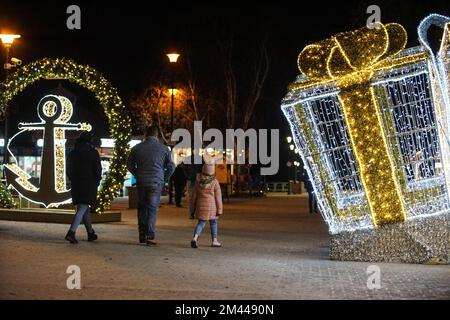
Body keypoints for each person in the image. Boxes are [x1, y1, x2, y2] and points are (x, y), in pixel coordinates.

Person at [127, 126, 175, 246]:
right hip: (156, 182)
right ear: (157, 136)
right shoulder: (164, 149)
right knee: (152, 209)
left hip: (141, 181)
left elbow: (129, 165)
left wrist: (137, 173)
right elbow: (171, 167)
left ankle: (142, 234)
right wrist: (164, 178)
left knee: (142, 207)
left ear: (145, 135)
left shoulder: (136, 148)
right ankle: (150, 235)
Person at [65, 131, 102, 244]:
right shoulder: (93, 153)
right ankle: (71, 232)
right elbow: (98, 170)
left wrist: (73, 179)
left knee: (84, 208)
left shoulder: (72, 153)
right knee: (83, 208)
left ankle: (90, 233)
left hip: (76, 184)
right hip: (89, 184)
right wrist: (97, 181)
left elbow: (69, 169)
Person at [190, 163, 223, 248]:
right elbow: (218, 197)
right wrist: (219, 210)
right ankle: (214, 240)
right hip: (212, 207)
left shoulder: (198, 181)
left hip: (200, 206)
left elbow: (193, 196)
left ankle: (195, 238)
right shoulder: (215, 182)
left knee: (201, 223)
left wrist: (192, 210)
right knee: (213, 222)